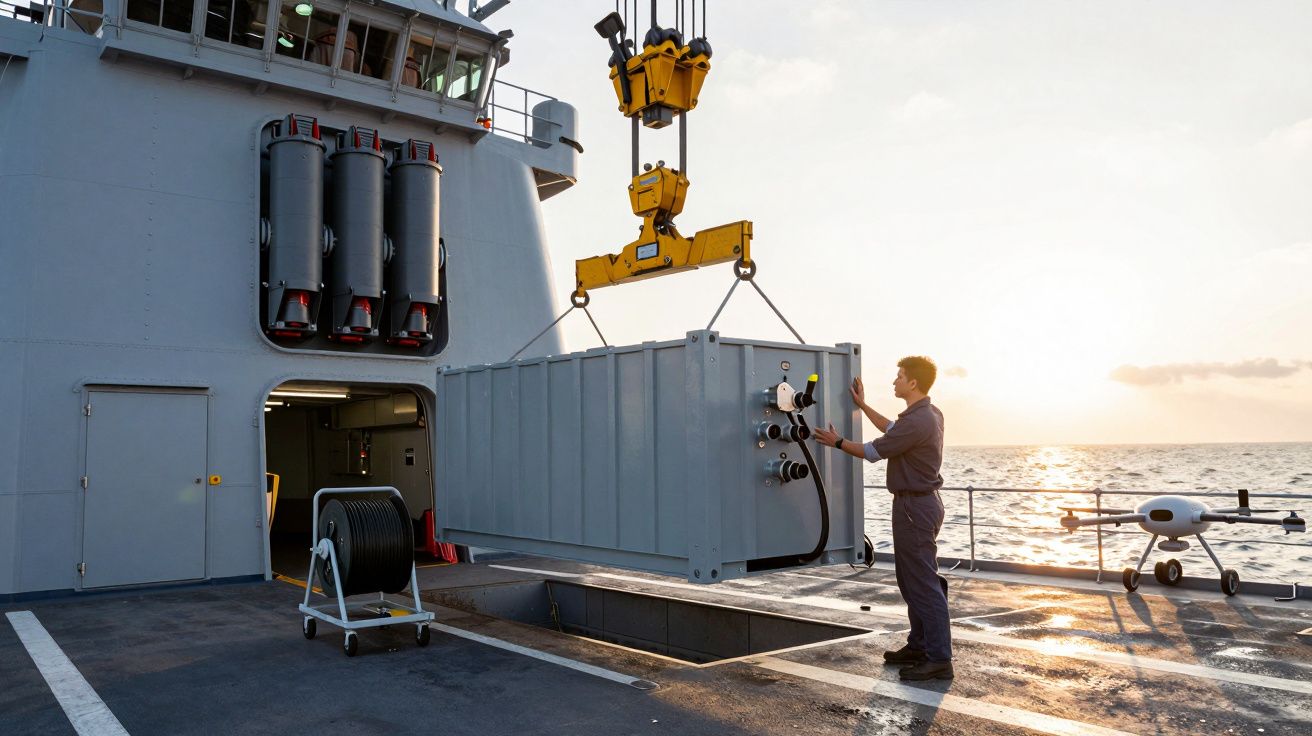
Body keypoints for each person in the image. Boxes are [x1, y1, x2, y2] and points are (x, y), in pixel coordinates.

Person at [812, 356, 953, 681]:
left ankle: (939, 659)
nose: (894, 382)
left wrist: (837, 442)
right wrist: (862, 404)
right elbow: (890, 428)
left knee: (922, 583)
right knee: (913, 579)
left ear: (913, 383)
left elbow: (874, 452)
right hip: (919, 504)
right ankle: (919, 645)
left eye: (899, 376)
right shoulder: (928, 414)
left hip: (913, 508)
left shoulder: (919, 421)